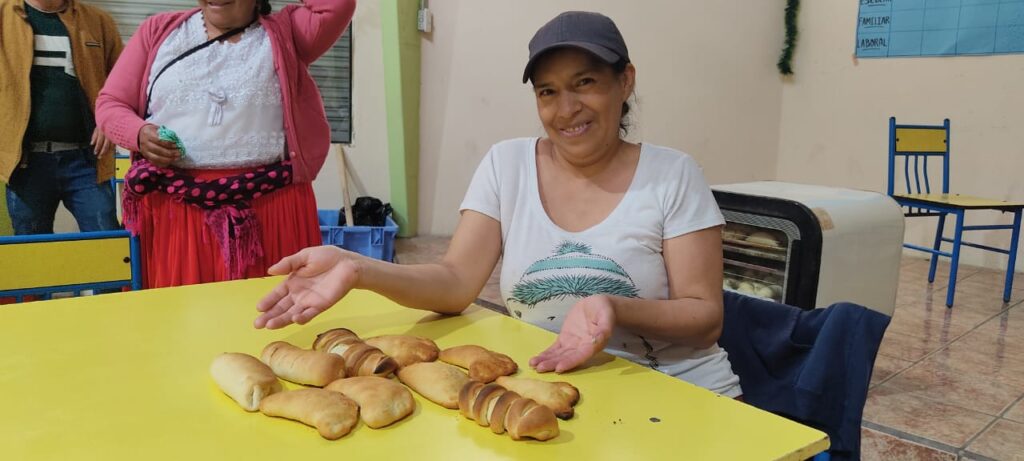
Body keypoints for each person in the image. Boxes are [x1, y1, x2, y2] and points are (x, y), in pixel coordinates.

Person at [254, 11, 743, 398]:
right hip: (565, 394)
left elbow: (705, 319)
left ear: (625, 81)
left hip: (682, 392)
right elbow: (454, 283)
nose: (566, 109)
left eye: (585, 83)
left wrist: (614, 307)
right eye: (548, 91)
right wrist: (357, 267)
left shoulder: (673, 175)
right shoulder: (506, 165)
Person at [95, 0, 356, 288]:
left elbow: (338, 5)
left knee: (272, 309)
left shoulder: (289, 33)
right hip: (176, 215)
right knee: (182, 311)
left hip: (272, 210)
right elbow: (111, 103)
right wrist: (139, 133)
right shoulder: (159, 31)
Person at [0, 0, 123, 235]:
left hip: (87, 159)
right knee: (30, 246)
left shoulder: (98, 21)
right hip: (24, 163)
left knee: (106, 240)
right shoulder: (4, 15)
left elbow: (123, 82)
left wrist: (109, 120)